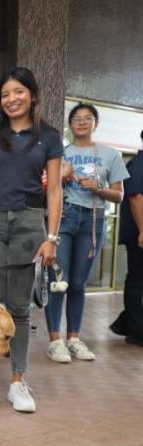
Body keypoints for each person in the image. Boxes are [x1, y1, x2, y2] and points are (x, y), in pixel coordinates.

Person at [0, 67, 63, 413]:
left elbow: (55, 190)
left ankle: (18, 382)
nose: (11, 99)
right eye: (5, 94)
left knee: (20, 308)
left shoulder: (49, 137)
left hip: (28, 223)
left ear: (33, 95)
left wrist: (51, 237)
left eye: (18, 92)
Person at [45, 104, 126, 362]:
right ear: (69, 124)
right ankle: (55, 341)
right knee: (58, 282)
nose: (81, 122)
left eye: (87, 118)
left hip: (93, 219)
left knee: (79, 284)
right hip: (64, 216)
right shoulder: (59, 153)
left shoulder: (110, 154)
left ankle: (74, 339)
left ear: (95, 124)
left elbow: (119, 195)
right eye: (76, 119)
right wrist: (62, 176)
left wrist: (99, 188)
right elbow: (44, 186)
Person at [110, 130, 143, 347]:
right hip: (139, 234)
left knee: (137, 281)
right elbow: (136, 198)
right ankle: (135, 331)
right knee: (137, 281)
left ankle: (127, 323)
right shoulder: (139, 164)